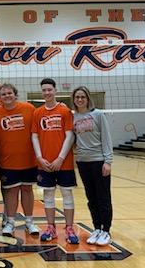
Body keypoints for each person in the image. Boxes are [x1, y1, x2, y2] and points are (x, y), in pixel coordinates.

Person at [31, 78, 79, 244]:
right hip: (45, 162)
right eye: (44, 90)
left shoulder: (65, 111)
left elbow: (70, 135)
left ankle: (69, 228)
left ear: (55, 90)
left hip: (63, 162)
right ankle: (50, 227)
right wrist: (39, 157)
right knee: (48, 194)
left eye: (49, 90)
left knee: (67, 193)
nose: (47, 93)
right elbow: (34, 136)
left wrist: (60, 158)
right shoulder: (37, 113)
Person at [0, 83, 39, 237]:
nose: (7, 96)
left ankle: (29, 222)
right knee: (11, 191)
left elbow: (37, 133)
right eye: (4, 94)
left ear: (15, 94)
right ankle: (10, 222)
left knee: (27, 190)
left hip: (28, 159)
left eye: (9, 93)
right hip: (7, 160)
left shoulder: (29, 109)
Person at [72, 86, 113, 246]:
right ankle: (96, 228)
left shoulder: (98, 115)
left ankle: (106, 230)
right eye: (77, 97)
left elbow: (106, 138)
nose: (80, 99)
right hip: (82, 162)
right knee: (91, 198)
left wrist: (108, 161)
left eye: (83, 97)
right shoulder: (73, 117)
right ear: (74, 100)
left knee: (103, 197)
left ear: (87, 98)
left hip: (98, 161)